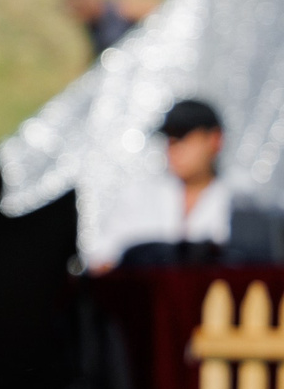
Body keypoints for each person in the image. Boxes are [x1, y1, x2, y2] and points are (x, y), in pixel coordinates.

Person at [90, 99, 232, 270]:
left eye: (182, 137)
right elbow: (102, 262)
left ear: (215, 140)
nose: (173, 148)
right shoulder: (138, 197)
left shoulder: (240, 200)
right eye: (169, 139)